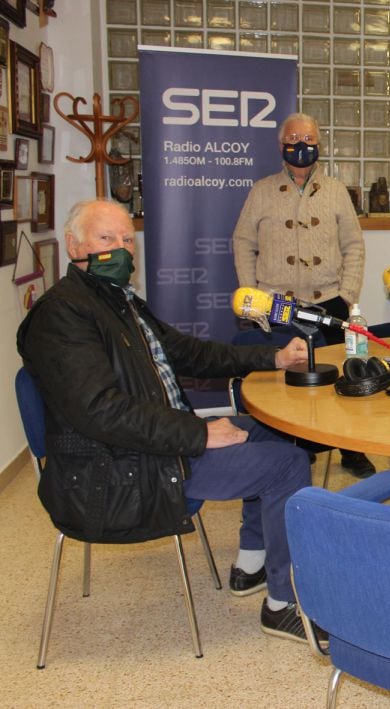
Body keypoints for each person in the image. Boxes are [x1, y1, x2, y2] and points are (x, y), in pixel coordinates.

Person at [18, 199, 324, 644]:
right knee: (286, 466)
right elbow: (102, 411)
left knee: (278, 433)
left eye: (126, 240)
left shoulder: (120, 302)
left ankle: (251, 564)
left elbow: (190, 352)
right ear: (74, 245)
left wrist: (271, 356)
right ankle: (282, 605)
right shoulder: (61, 314)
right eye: (106, 239)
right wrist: (199, 433)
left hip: (154, 441)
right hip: (121, 468)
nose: (120, 250)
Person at [232, 111, 375, 477]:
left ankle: (351, 448)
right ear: (281, 146)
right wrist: (251, 296)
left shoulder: (336, 191)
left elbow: (354, 246)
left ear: (319, 144)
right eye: (293, 140)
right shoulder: (262, 190)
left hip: (327, 300)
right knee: (281, 383)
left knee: (343, 378)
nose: (301, 146)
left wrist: (347, 294)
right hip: (276, 302)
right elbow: (243, 243)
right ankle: (294, 447)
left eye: (308, 140)